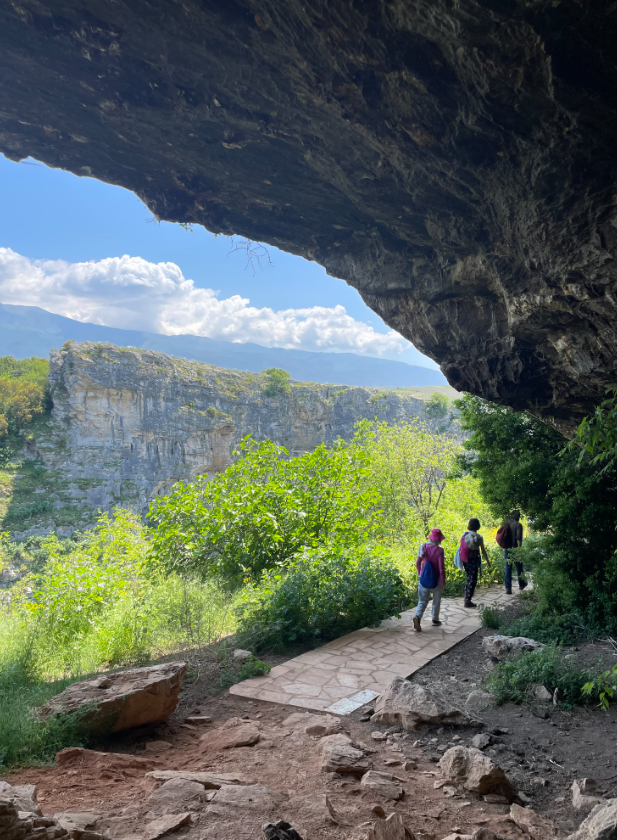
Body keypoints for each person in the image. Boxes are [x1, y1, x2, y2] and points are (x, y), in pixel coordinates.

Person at [413, 527, 446, 632]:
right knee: (436, 600)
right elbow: (441, 568)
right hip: (436, 579)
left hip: (424, 578)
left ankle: (417, 617)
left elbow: (418, 562)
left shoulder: (423, 547)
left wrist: (420, 573)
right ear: (439, 539)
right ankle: (435, 619)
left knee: (422, 600)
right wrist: (443, 581)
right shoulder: (440, 550)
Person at [463, 518, 491, 608]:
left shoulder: (464, 535)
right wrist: (487, 561)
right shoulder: (479, 537)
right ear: (478, 526)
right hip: (473, 560)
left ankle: (466, 594)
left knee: (469, 577)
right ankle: (467, 600)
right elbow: (483, 550)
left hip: (465, 559)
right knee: (473, 579)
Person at [504, 510, 527, 594]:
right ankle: (522, 584)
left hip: (507, 549)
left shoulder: (507, 524)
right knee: (519, 567)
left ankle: (508, 588)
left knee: (508, 568)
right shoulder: (518, 525)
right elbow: (518, 538)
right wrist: (519, 550)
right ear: (519, 517)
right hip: (515, 549)